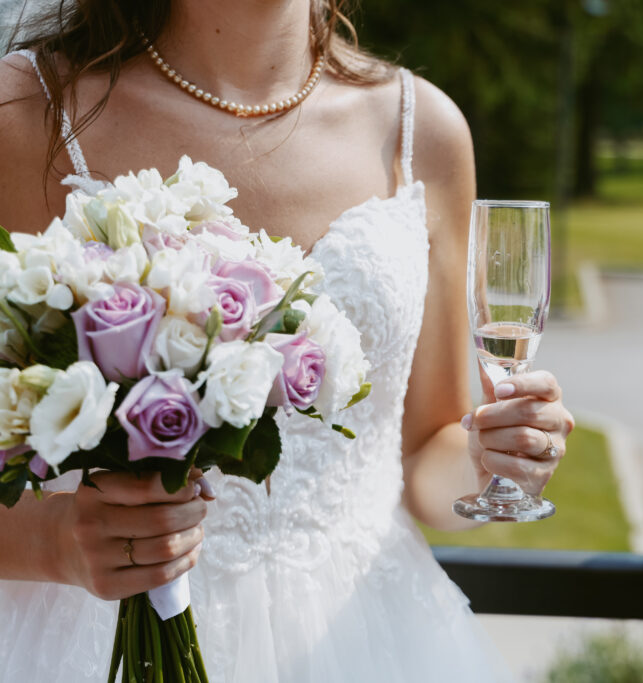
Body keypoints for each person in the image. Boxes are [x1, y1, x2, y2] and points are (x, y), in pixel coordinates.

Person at [0, 1, 574, 680]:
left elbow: (422, 460)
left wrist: (487, 457)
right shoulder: (26, 112)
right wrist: (50, 541)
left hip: (370, 638)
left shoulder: (424, 131)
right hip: (94, 641)